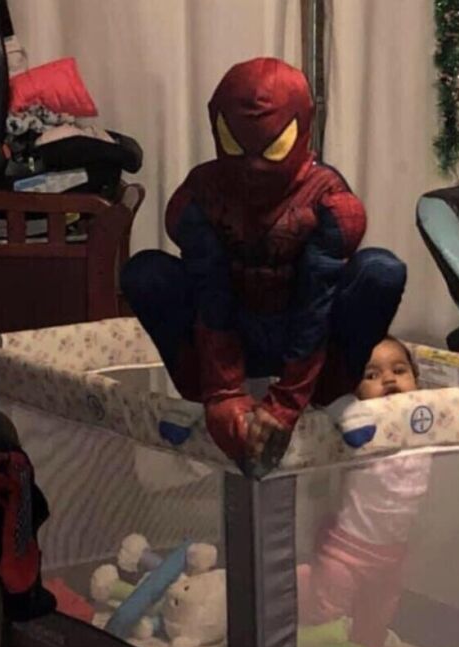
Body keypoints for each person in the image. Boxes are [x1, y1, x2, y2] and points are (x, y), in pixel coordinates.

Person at [122, 57, 407, 477]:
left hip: (310, 345)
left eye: (272, 148)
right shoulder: (201, 193)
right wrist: (222, 394)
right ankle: (208, 395)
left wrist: (288, 403)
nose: (254, 166)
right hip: (231, 329)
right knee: (144, 272)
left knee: (381, 271)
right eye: (237, 146)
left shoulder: (327, 199)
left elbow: (316, 297)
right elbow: (210, 289)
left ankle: (331, 395)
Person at [297, 337, 432, 647]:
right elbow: (325, 404)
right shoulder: (357, 423)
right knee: (326, 611)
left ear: (416, 379)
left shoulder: (427, 418)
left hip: (392, 553)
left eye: (399, 370)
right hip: (347, 550)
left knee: (378, 615)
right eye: (371, 375)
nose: (388, 379)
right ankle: (314, 645)